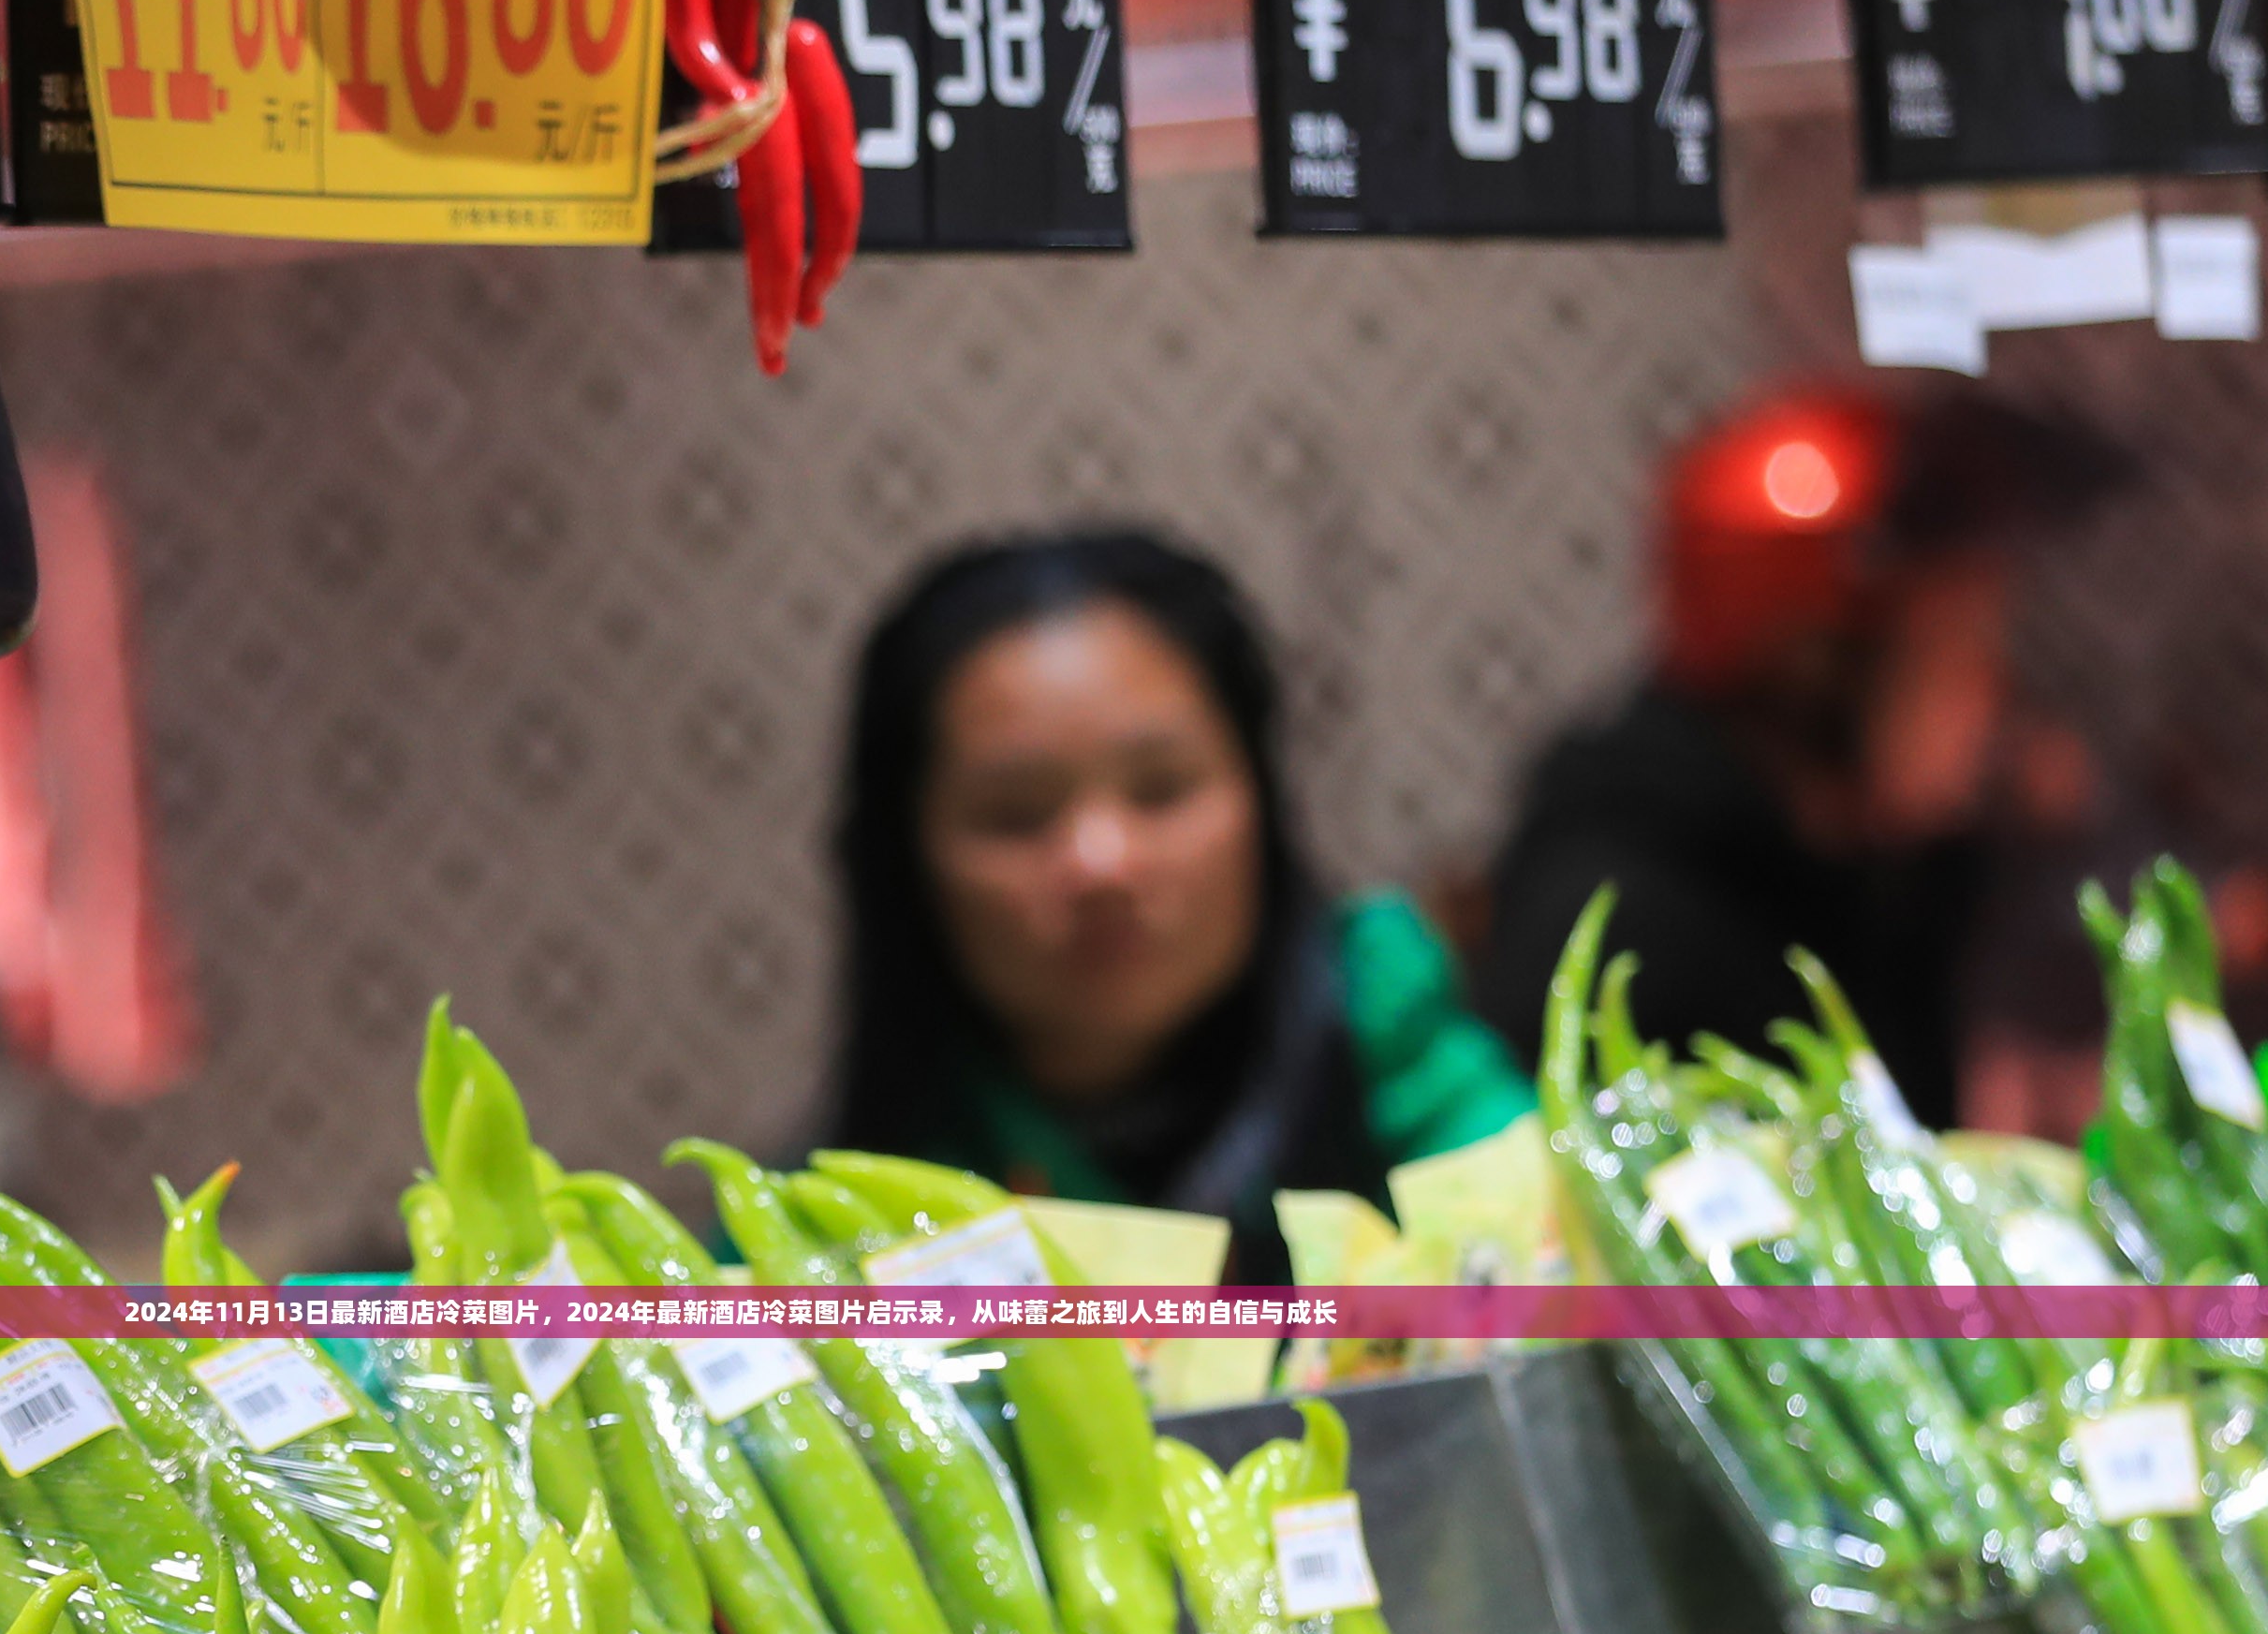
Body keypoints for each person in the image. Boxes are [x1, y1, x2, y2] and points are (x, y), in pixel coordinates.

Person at [817, 530, 1528, 1280]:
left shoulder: (1378, 1010)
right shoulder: (829, 1226)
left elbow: (1548, 1242)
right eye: (1018, 815)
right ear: (904, 859)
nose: (1102, 864)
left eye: (1162, 789)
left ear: (1261, 797)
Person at [1470, 382, 2123, 1126]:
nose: (1996, 698)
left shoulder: (1847, 872)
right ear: (1819, 674)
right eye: (1960, 654)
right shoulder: (1637, 945)